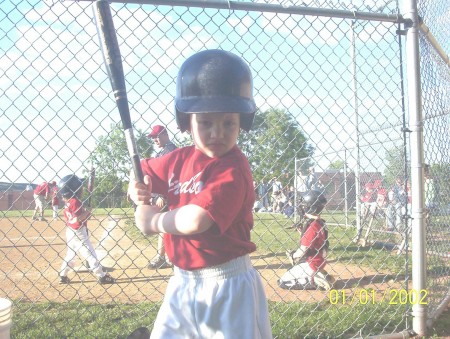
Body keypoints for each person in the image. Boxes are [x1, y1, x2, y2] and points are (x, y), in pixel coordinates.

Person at [128, 49, 272, 338]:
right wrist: (136, 190)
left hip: (227, 286)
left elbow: (196, 220)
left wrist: (152, 221)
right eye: (206, 122)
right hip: (182, 283)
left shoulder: (232, 168)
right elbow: (141, 171)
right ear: (187, 122)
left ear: (241, 122)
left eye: (228, 122)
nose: (217, 132)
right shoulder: (178, 158)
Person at [58, 174, 115, 285]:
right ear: (74, 190)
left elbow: (78, 217)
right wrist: (87, 211)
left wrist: (86, 213)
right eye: (80, 187)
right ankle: (101, 275)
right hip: (79, 232)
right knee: (90, 253)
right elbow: (79, 218)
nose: (82, 189)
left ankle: (62, 275)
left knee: (71, 255)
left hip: (70, 231)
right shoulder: (75, 202)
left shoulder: (68, 202)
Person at [279, 190, 334, 290]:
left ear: (310, 208)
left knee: (283, 282)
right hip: (319, 260)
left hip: (311, 263)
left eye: (304, 205)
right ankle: (318, 273)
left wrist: (293, 255)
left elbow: (303, 249)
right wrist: (302, 232)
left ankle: (315, 280)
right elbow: (314, 241)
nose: (301, 207)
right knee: (292, 270)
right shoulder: (320, 222)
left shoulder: (312, 227)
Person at [147, 125, 178, 269]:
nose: (154, 139)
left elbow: (168, 176)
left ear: (165, 134)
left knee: (164, 225)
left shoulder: (169, 150)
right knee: (166, 225)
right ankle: (169, 256)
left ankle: (162, 257)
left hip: (167, 195)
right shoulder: (163, 151)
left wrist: (162, 195)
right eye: (152, 137)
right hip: (164, 195)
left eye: (156, 136)